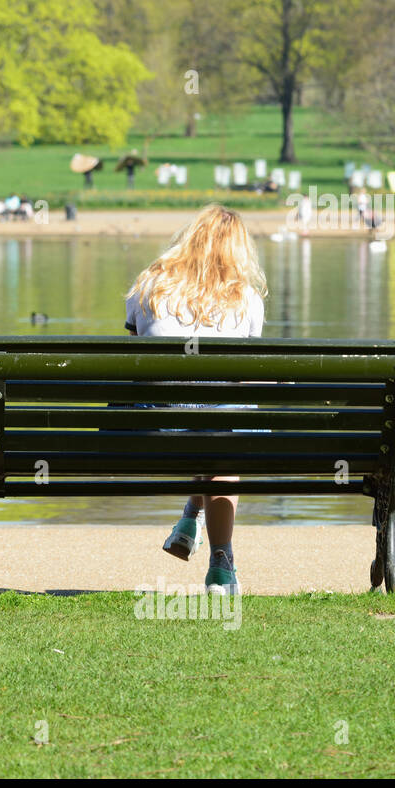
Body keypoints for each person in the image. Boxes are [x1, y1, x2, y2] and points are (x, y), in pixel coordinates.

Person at [123, 203, 267, 595]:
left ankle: (191, 518)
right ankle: (221, 564)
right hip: (218, 431)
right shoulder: (248, 300)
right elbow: (247, 381)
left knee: (202, 415)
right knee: (222, 421)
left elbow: (134, 361)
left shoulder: (148, 287)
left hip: (151, 430)